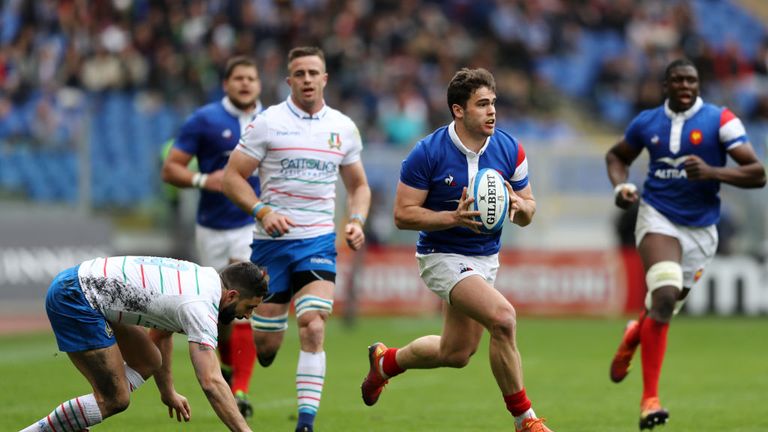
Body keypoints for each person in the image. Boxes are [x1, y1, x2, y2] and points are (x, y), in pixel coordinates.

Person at [360, 68, 554, 432]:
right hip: (441, 255)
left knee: (457, 353)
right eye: (482, 104)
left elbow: (528, 210)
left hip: (485, 258)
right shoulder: (427, 152)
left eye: (493, 103)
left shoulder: (510, 148)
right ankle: (525, 419)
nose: (492, 111)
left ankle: (385, 363)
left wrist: (519, 206)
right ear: (458, 110)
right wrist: (451, 218)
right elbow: (402, 216)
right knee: (503, 318)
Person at [605, 58, 766, 430]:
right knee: (663, 296)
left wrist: (712, 172)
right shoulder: (647, 123)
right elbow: (617, 156)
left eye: (691, 80)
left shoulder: (720, 120)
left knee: (664, 306)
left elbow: (757, 173)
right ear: (665, 85)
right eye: (677, 80)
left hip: (702, 231)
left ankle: (634, 334)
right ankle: (650, 401)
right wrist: (621, 186)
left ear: (699, 84)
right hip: (657, 216)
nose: (684, 85)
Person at [222, 46, 371, 432]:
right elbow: (231, 177)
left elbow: (359, 186)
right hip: (271, 246)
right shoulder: (268, 122)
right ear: (289, 81)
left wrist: (355, 220)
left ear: (325, 79)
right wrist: (263, 212)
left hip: (318, 242)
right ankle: (249, 354)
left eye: (313, 73)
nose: (307, 79)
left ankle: (305, 424)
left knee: (313, 324)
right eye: (299, 74)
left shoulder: (343, 127)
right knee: (267, 348)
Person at [20, 257, 269, 432]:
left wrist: (167, 391)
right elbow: (211, 381)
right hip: (76, 296)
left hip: (80, 284)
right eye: (250, 308)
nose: (247, 316)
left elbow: (161, 334)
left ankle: (71, 422)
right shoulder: (200, 306)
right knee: (115, 399)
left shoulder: (203, 278)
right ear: (233, 295)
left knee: (149, 360)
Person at [161, 55, 263, 417]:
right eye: (238, 78)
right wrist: (205, 180)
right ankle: (229, 369)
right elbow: (170, 169)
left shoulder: (271, 122)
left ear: (259, 84)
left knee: (247, 295)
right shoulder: (204, 120)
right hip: (211, 227)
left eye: (251, 77)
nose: (245, 84)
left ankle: (241, 389)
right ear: (226, 84)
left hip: (251, 225)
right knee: (217, 309)